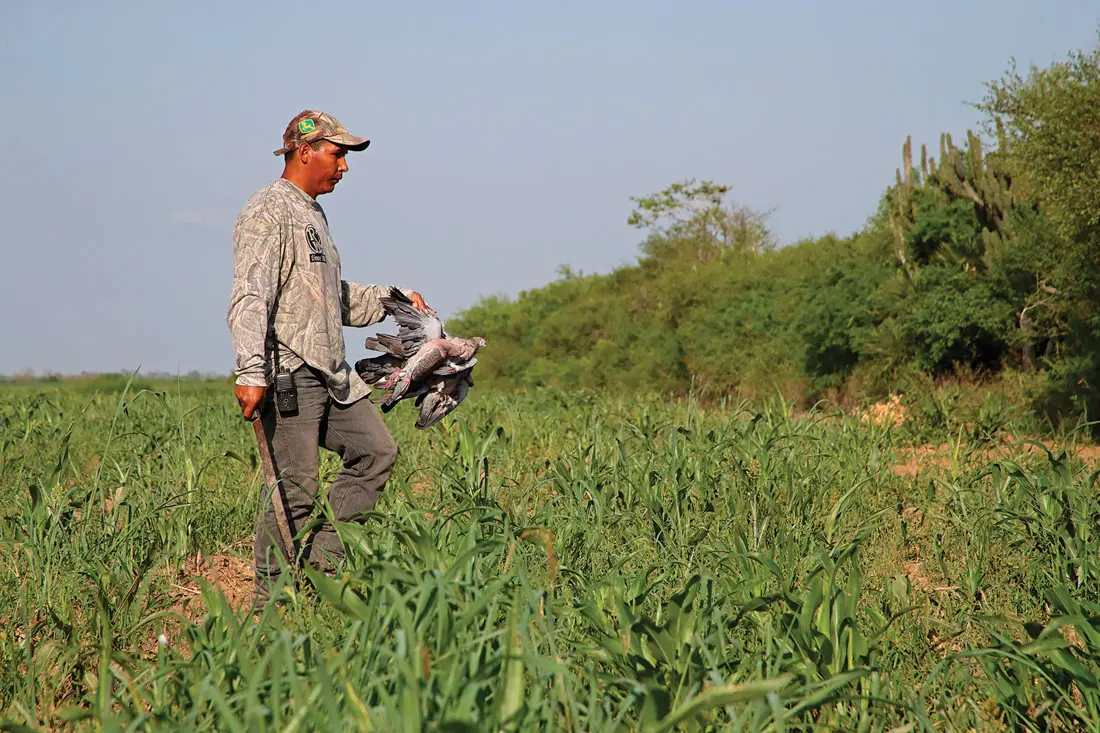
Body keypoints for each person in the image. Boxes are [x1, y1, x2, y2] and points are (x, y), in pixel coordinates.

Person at [226, 109, 429, 607]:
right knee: (295, 487)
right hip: (289, 374)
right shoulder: (266, 211)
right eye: (337, 154)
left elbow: (326, 297)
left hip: (332, 375)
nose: (343, 166)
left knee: (376, 452)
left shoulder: (312, 212)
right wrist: (252, 371)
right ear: (304, 151)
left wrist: (391, 299)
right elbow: (250, 296)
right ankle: (267, 606)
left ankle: (320, 567)